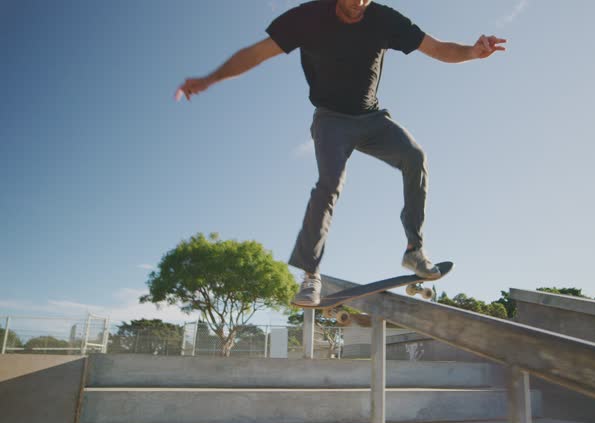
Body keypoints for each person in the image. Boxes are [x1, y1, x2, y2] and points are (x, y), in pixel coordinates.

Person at [176, 0, 506, 306]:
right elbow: (255, 54)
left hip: (373, 119)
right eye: (352, 1)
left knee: (414, 157)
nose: (359, 7)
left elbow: (436, 48)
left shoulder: (385, 19)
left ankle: (414, 250)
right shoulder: (307, 17)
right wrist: (210, 78)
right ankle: (310, 275)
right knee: (330, 182)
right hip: (331, 121)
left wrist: (472, 52)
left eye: (365, 0)